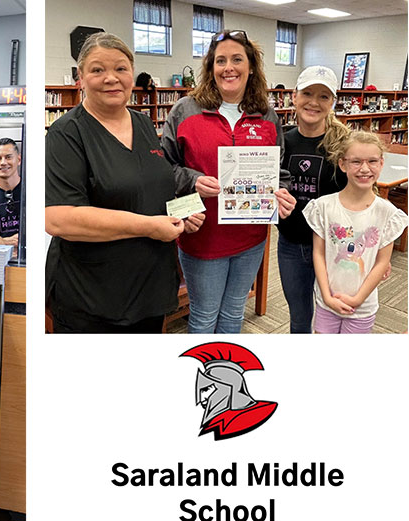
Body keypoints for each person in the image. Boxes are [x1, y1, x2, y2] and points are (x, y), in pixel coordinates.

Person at [46, 32, 204, 333]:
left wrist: (184, 211)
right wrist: (149, 226)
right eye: (97, 70)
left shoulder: (143, 123)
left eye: (121, 68)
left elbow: (153, 185)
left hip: (150, 288)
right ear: (80, 77)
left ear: (132, 74)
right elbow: (59, 219)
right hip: (94, 297)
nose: (111, 78)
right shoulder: (66, 134)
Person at [161, 29, 296, 334]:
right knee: (204, 316)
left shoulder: (267, 116)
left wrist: (282, 194)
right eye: (220, 60)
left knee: (234, 312)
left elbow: (278, 171)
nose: (228, 67)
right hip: (202, 238)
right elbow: (163, 169)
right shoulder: (185, 110)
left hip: (251, 238)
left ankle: (225, 373)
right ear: (210, 68)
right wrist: (192, 180)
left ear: (251, 67)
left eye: (237, 59)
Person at [304, 131, 408, 333]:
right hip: (327, 301)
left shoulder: (387, 213)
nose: (365, 169)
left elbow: (382, 262)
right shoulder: (324, 207)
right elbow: (318, 253)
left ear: (381, 163)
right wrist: (326, 295)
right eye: (356, 162)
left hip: (362, 306)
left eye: (372, 161)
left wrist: (357, 299)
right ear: (342, 165)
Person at [276, 66, 350, 333]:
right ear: (294, 97)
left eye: (323, 96)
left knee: (333, 319)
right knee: (299, 318)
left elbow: (358, 198)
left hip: (334, 248)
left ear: (332, 103)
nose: (314, 102)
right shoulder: (281, 142)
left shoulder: (343, 146)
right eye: (307, 93)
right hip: (291, 244)